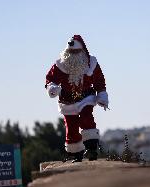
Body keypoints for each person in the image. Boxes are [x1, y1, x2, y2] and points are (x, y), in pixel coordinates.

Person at [45, 35, 109, 163]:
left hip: (86, 98)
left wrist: (101, 94)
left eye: (76, 51)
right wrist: (52, 88)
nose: (73, 54)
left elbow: (99, 81)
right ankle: (76, 153)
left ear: (82, 51)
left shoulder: (91, 63)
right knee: (71, 126)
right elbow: (51, 79)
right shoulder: (60, 64)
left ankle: (91, 149)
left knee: (87, 119)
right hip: (67, 100)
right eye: (71, 51)